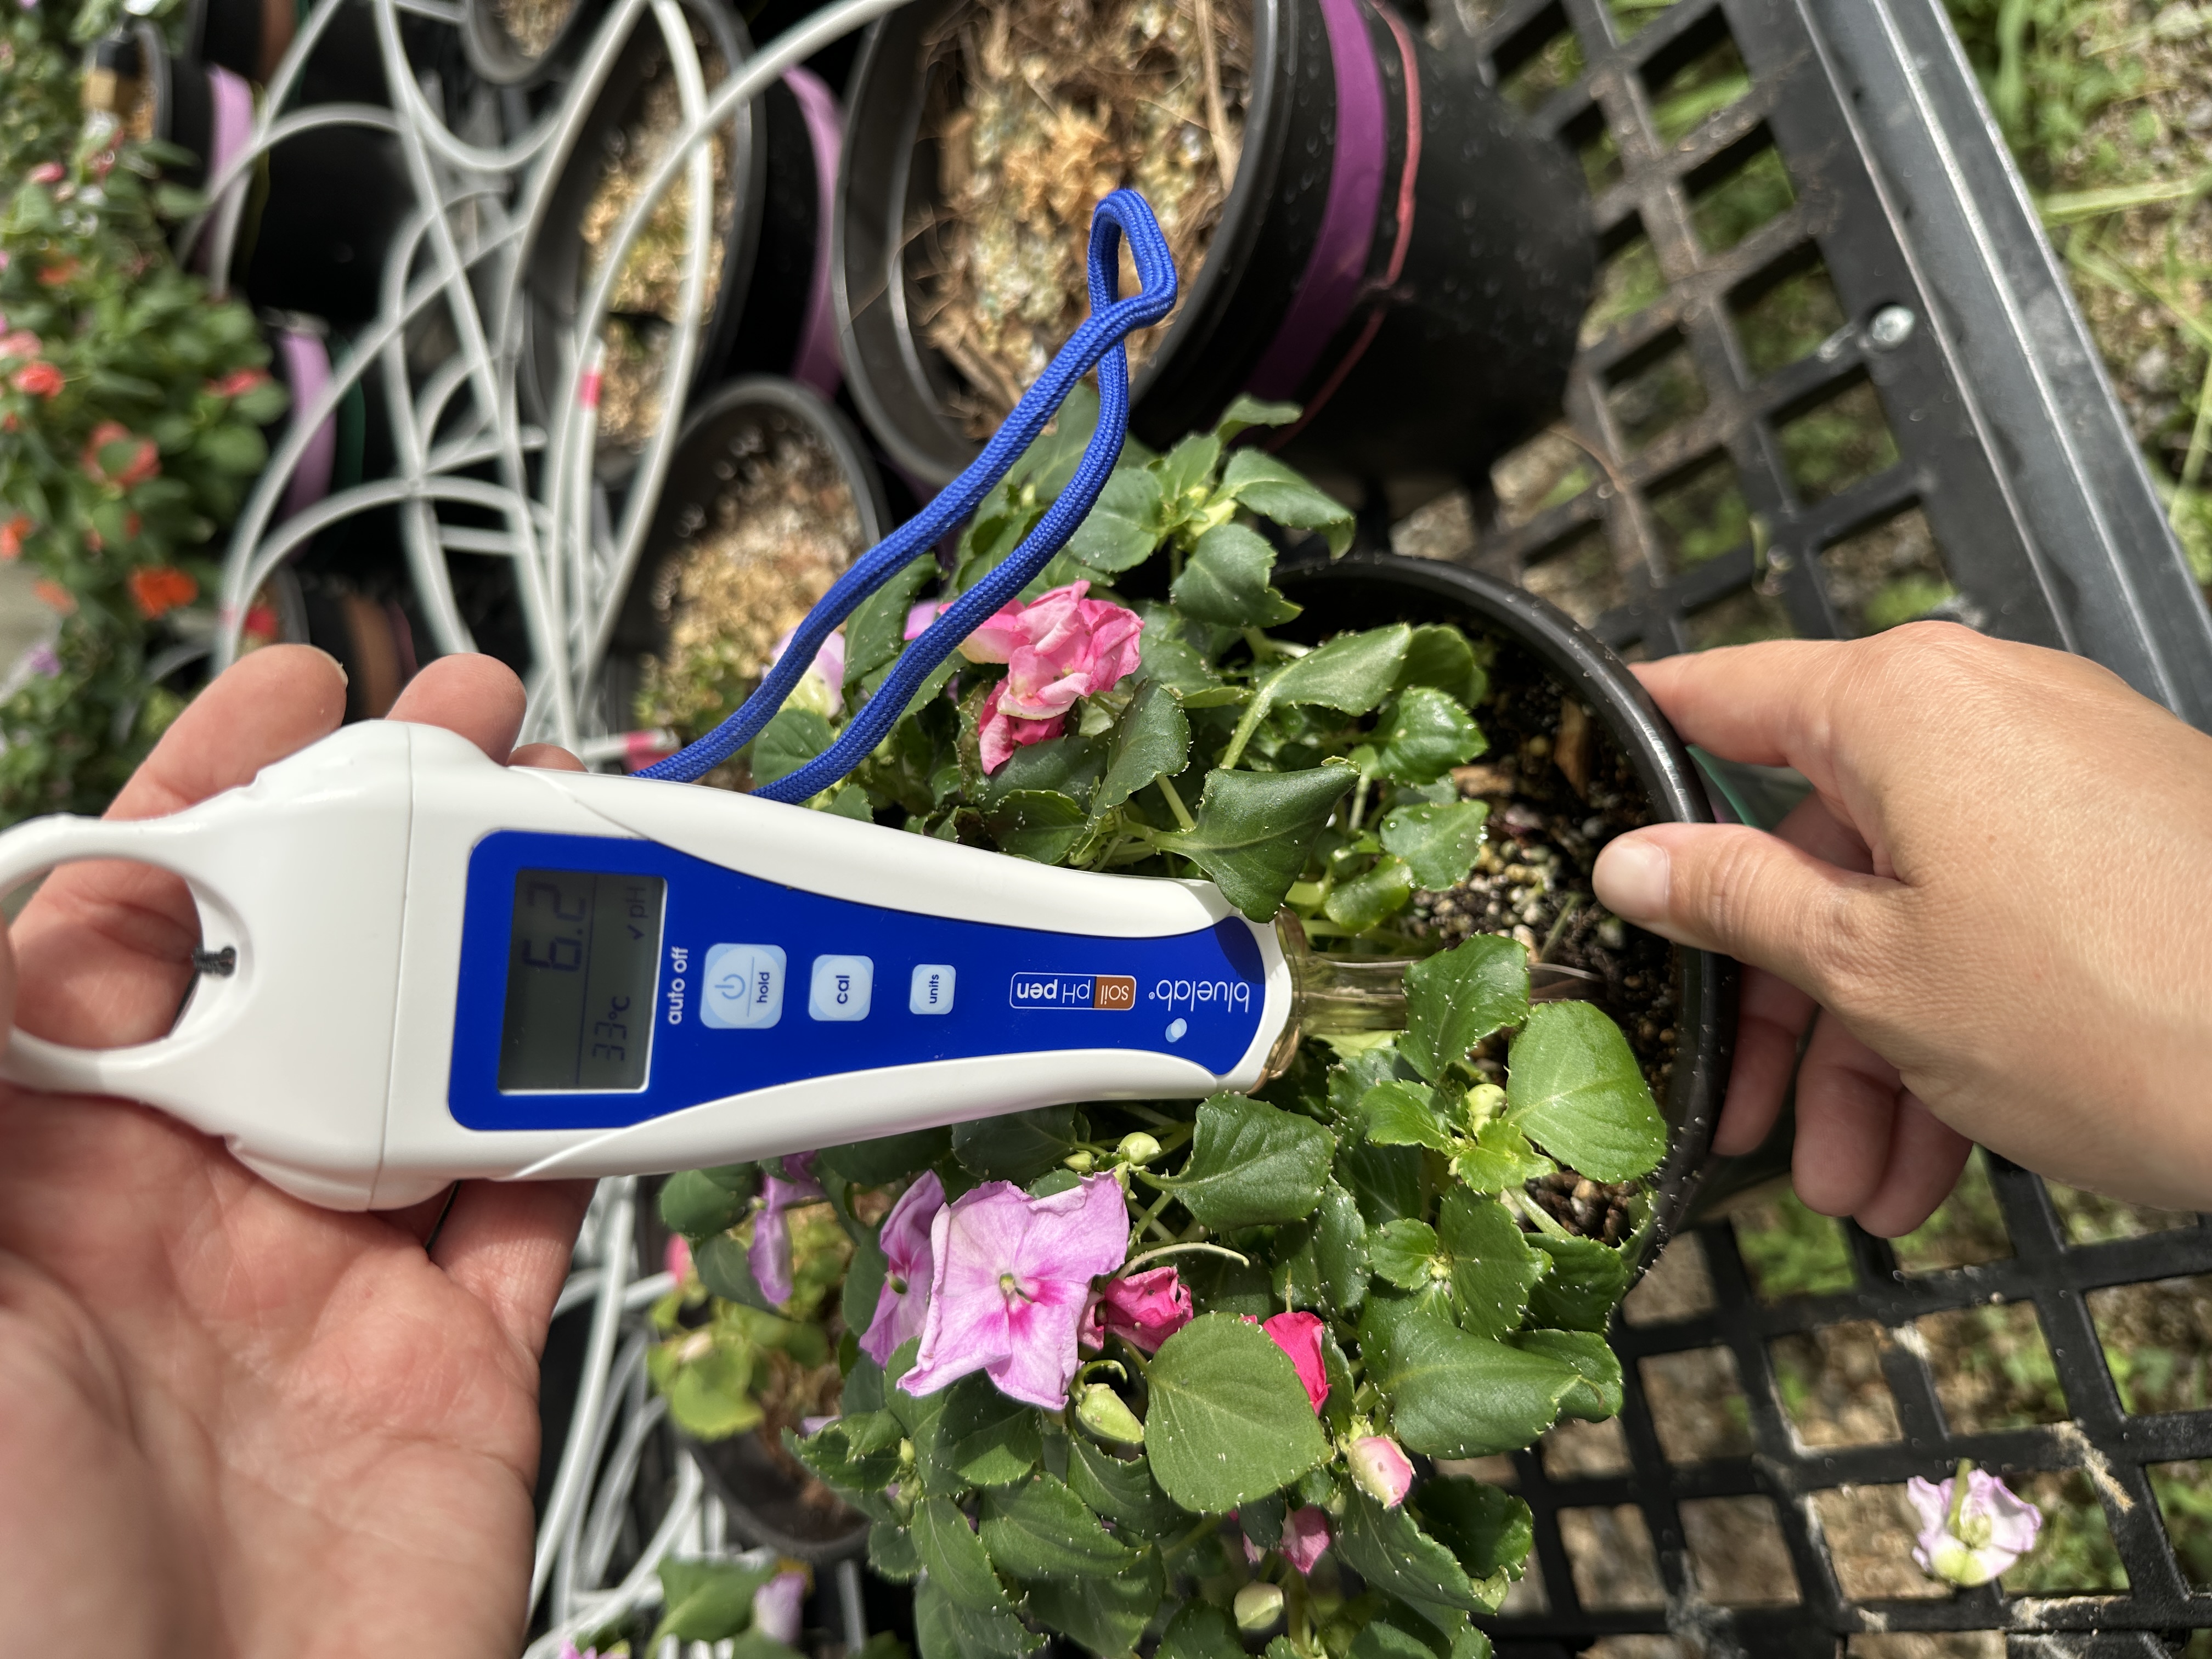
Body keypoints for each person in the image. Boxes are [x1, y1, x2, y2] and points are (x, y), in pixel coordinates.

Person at [1, 623, 2208, 1648]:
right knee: (933, 979)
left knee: (1006, 966)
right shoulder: (298, 1123)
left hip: (1212, 975)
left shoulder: (328, 1112)